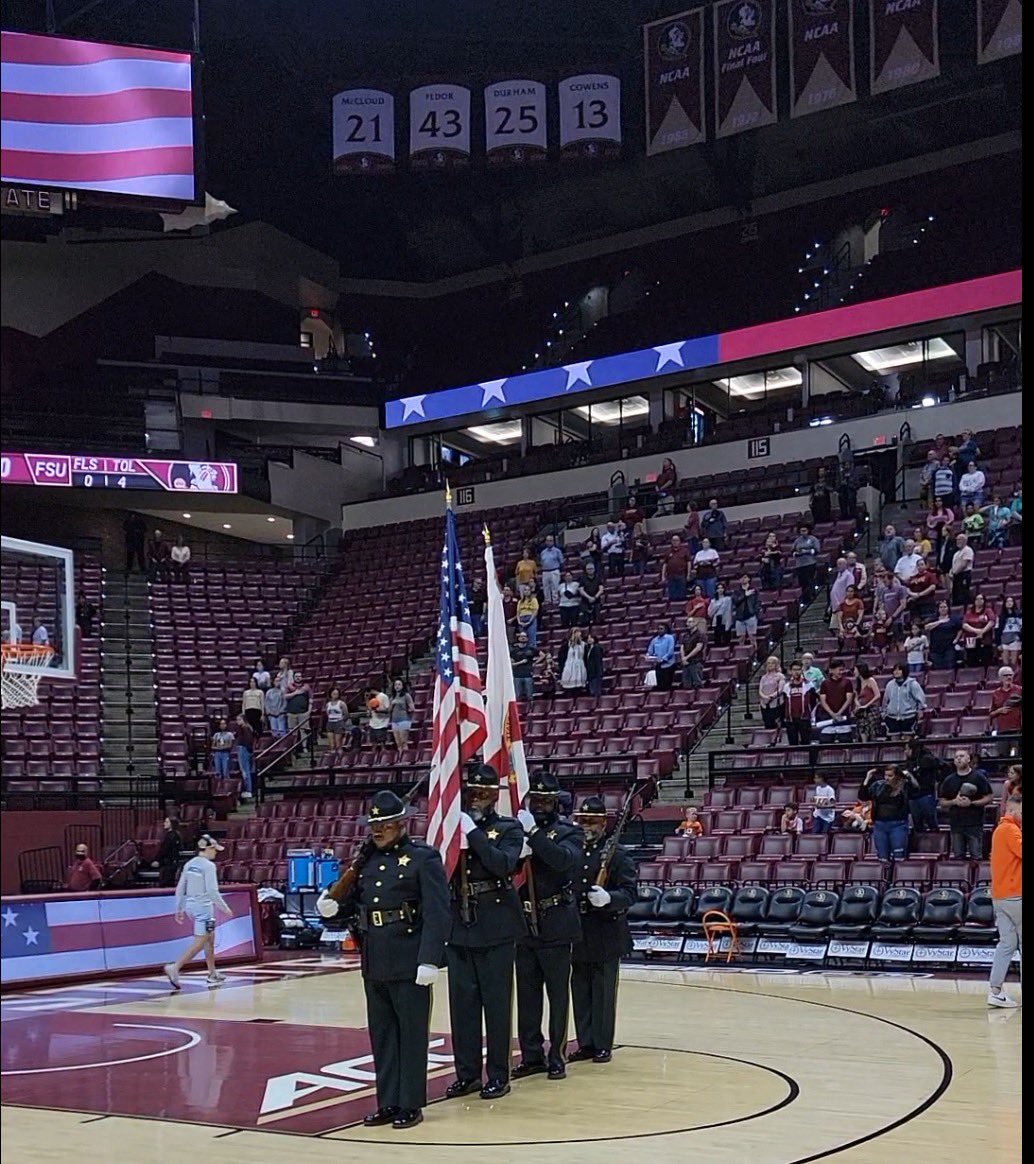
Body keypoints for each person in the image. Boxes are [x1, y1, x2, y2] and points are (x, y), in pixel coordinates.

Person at [316, 789, 451, 1127]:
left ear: (401, 824)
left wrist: (430, 958)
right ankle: (388, 1101)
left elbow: (438, 912)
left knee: (411, 1033)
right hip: (375, 957)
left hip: (409, 957)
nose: (377, 830)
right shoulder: (365, 862)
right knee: (383, 1035)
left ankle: (410, 1103)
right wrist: (330, 908)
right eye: (373, 824)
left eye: (385, 824)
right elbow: (353, 906)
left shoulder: (424, 858)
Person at [445, 763, 526, 1102]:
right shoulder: (451, 829)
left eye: (483, 793)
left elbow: (502, 864)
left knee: (495, 1006)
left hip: (495, 923)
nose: (476, 798)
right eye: (471, 792)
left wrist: (473, 834)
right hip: (459, 923)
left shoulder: (509, 828)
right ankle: (466, 1075)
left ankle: (497, 1074)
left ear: (494, 796)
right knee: (462, 1007)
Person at [512, 773, 584, 1081]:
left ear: (556, 802)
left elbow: (562, 862)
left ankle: (556, 1053)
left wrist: (534, 836)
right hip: (524, 923)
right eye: (535, 800)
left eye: (546, 800)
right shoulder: (517, 831)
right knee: (527, 996)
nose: (540, 805)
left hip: (555, 921)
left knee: (557, 994)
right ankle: (531, 1055)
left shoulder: (569, 832)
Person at [568, 796, 637, 1064]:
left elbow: (630, 893)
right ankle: (585, 1041)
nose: (587, 826)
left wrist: (610, 899)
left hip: (606, 931)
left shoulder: (617, 855)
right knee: (580, 989)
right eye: (583, 821)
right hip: (578, 929)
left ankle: (602, 1044)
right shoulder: (574, 851)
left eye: (593, 821)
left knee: (603, 991)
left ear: (604, 823)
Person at [164, 834, 233, 989]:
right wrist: (225, 908)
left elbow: (181, 887)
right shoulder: (209, 866)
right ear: (208, 849)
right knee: (200, 941)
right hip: (204, 908)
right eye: (215, 849)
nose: (216, 853)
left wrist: (179, 908)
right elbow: (212, 891)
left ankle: (212, 973)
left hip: (190, 906)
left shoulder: (190, 863)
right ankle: (175, 967)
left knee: (210, 937)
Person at [987, 794, 1022, 1009]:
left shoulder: (1000, 831)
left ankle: (995, 991)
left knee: (1007, 944)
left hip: (1000, 896)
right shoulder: (1011, 830)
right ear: (1014, 810)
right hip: (1015, 895)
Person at [938, 749, 994, 859]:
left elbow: (989, 797)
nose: (959, 758)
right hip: (956, 824)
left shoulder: (978, 777)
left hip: (975, 823)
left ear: (968, 759)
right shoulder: (949, 780)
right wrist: (954, 801)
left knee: (976, 856)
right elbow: (942, 802)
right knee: (958, 856)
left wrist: (971, 803)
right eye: (956, 757)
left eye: (962, 756)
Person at [859, 765, 919, 861]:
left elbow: (916, 791)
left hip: (898, 825)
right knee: (882, 857)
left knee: (899, 857)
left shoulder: (904, 786)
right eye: (885, 775)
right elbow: (863, 796)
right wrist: (867, 778)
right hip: (880, 826)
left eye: (890, 776)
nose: (887, 778)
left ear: (897, 776)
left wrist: (910, 777)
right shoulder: (878, 785)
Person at [904, 738, 942, 834]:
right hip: (913, 796)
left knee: (931, 822)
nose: (905, 752)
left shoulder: (927, 759)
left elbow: (941, 767)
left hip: (925, 794)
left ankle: (936, 844)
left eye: (907, 749)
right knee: (917, 825)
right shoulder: (910, 761)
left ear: (913, 749)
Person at [882, 663, 927, 739]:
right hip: (892, 717)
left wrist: (920, 710)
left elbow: (921, 699)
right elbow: (885, 700)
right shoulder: (889, 684)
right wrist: (884, 712)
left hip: (909, 716)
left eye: (899, 669)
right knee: (894, 741)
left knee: (907, 741)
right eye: (895, 670)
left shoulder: (913, 684)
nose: (896, 672)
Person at [816, 658, 854, 741]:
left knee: (846, 743)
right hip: (827, 718)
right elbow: (823, 701)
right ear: (831, 670)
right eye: (839, 670)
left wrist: (839, 713)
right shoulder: (825, 683)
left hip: (843, 717)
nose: (841, 672)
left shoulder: (847, 682)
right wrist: (832, 714)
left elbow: (848, 700)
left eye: (842, 670)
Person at [782, 660, 816, 746]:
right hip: (791, 719)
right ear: (790, 671)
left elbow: (813, 702)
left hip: (804, 718)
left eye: (798, 669)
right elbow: (785, 703)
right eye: (794, 670)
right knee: (793, 744)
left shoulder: (809, 685)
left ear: (802, 670)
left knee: (806, 743)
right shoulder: (787, 686)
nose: (796, 672)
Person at [988, 665, 1022, 747]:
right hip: (1002, 731)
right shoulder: (996, 693)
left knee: (1016, 755)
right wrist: (999, 711)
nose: (1008, 677)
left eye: (1010, 675)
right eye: (1005, 675)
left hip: (1017, 730)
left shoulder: (1020, 690)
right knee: (1002, 756)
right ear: (1000, 678)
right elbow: (991, 714)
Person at [926, 600, 962, 671]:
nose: (943, 609)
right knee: (938, 668)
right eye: (941, 607)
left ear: (948, 608)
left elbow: (960, 629)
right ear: (938, 609)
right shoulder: (934, 619)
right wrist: (940, 622)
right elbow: (927, 627)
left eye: (945, 607)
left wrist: (956, 639)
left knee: (949, 666)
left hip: (949, 647)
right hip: (936, 648)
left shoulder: (953, 619)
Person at [961, 594, 996, 667]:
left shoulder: (988, 610)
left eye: (981, 599)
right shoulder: (969, 612)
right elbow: (964, 624)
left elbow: (992, 622)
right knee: (972, 661)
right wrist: (976, 631)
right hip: (971, 640)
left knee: (986, 660)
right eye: (977, 599)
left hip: (985, 640)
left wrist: (982, 632)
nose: (979, 601)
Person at [791, 524, 821, 604]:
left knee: (809, 581)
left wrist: (806, 551)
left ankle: (813, 597)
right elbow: (793, 551)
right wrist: (797, 553)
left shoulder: (813, 539)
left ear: (808, 531)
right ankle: (806, 600)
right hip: (800, 565)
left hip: (810, 563)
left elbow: (817, 550)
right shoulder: (797, 541)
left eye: (804, 531)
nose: (803, 533)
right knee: (802, 583)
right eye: (801, 531)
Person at [853, 662, 882, 742]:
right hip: (862, 713)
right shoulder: (859, 683)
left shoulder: (870, 680)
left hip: (871, 711)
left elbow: (878, 695)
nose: (854, 672)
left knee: (872, 735)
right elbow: (857, 698)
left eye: (855, 670)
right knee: (862, 733)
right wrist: (858, 705)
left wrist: (866, 705)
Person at [285, 672, 312, 756]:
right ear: (293, 677)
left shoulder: (307, 687)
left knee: (304, 731)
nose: (298, 678)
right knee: (293, 733)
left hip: (303, 713)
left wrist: (309, 711)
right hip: (291, 713)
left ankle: (304, 748)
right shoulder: (289, 687)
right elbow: (285, 696)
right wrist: (295, 693)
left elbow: (311, 699)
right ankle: (293, 749)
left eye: (299, 676)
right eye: (296, 676)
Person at [733, 574, 761, 653]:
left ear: (748, 579)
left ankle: (755, 655)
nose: (743, 579)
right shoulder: (737, 592)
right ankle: (743, 655)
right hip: (740, 617)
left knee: (752, 637)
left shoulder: (754, 590)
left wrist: (755, 612)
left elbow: (758, 602)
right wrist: (745, 595)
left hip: (751, 616)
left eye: (745, 577)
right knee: (741, 639)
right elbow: (735, 601)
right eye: (741, 578)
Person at [153, 816, 183, 887]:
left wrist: (158, 860)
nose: (164, 824)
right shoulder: (172, 835)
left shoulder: (172, 836)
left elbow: (165, 850)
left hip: (169, 864)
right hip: (168, 863)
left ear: (171, 824)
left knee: (166, 884)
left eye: (166, 822)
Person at [646, 625, 677, 692]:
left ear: (665, 630)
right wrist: (648, 656)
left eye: (661, 629)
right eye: (658, 629)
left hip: (669, 665)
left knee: (667, 685)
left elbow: (670, 651)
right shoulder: (654, 640)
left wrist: (663, 659)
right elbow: (650, 651)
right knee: (660, 685)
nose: (659, 630)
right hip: (659, 665)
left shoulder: (670, 638)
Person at [757, 656, 785, 732]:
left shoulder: (780, 676)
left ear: (776, 664)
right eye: (768, 663)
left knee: (776, 723)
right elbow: (760, 690)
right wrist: (764, 697)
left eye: (772, 663)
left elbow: (780, 689)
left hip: (776, 703)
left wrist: (771, 696)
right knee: (767, 723)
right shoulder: (763, 677)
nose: (770, 665)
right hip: (764, 704)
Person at [661, 535, 690, 603]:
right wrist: (663, 576)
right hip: (671, 576)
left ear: (679, 541)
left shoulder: (685, 551)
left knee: (681, 594)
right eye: (673, 540)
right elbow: (665, 564)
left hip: (681, 575)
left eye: (676, 540)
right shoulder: (668, 552)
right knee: (672, 595)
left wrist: (688, 574)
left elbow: (689, 563)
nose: (675, 542)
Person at [948, 532, 975, 606]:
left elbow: (964, 564)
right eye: (957, 540)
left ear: (965, 540)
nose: (958, 541)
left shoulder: (967, 550)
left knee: (962, 594)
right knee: (956, 594)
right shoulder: (956, 553)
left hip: (964, 575)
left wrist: (954, 573)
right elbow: (954, 565)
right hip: (956, 576)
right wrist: (951, 572)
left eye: (960, 540)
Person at [388, 678, 416, 750]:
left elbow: (412, 708)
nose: (397, 686)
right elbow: (389, 710)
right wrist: (392, 704)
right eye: (396, 685)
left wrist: (402, 706)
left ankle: (405, 756)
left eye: (399, 684)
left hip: (403, 719)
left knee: (403, 741)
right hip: (394, 720)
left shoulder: (406, 696)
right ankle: (400, 758)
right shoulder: (392, 697)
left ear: (402, 686)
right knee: (398, 743)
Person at [559, 628, 587, 693]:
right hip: (569, 667)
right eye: (576, 632)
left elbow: (585, 657)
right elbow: (561, 658)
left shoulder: (583, 645)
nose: (579, 634)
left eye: (579, 632)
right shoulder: (566, 644)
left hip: (580, 668)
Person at [539, 535, 565, 608]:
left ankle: (555, 601)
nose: (549, 542)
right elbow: (542, 562)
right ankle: (547, 601)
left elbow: (561, 562)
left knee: (555, 587)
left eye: (550, 540)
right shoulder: (543, 552)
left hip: (554, 570)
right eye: (547, 541)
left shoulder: (557, 551)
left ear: (553, 542)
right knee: (546, 587)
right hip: (545, 571)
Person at [680, 622, 706, 690]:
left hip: (696, 662)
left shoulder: (700, 634)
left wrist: (687, 657)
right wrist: (683, 658)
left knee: (697, 683)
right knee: (686, 684)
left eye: (690, 622)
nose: (688, 624)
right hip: (686, 663)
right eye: (687, 622)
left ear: (695, 623)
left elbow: (698, 648)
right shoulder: (685, 635)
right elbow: (682, 647)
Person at [234, 714, 254, 799]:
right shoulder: (248, 728)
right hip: (246, 750)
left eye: (239, 720)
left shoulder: (244, 729)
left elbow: (248, 740)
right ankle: (248, 789)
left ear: (243, 720)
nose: (237, 722)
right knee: (247, 770)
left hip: (243, 749)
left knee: (245, 771)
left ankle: (248, 790)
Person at [512, 632, 537, 701]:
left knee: (530, 696)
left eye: (525, 636)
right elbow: (512, 663)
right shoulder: (514, 650)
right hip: (517, 675)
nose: (523, 638)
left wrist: (536, 662)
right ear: (518, 638)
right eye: (521, 636)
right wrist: (521, 662)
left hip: (528, 675)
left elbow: (543, 655)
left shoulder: (531, 649)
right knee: (517, 696)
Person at [324, 685, 349, 751]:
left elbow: (346, 714)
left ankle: (339, 758)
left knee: (338, 744)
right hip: (330, 723)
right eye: (334, 694)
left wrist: (341, 721)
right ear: (330, 694)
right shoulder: (328, 704)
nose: (335, 695)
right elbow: (327, 714)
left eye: (337, 694)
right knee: (331, 745)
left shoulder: (341, 703)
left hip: (338, 722)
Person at [585, 633, 605, 699]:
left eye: (590, 638)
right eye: (588, 638)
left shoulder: (596, 648)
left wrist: (599, 674)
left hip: (596, 674)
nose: (589, 639)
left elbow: (597, 661)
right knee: (592, 692)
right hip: (591, 674)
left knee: (596, 692)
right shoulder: (589, 649)